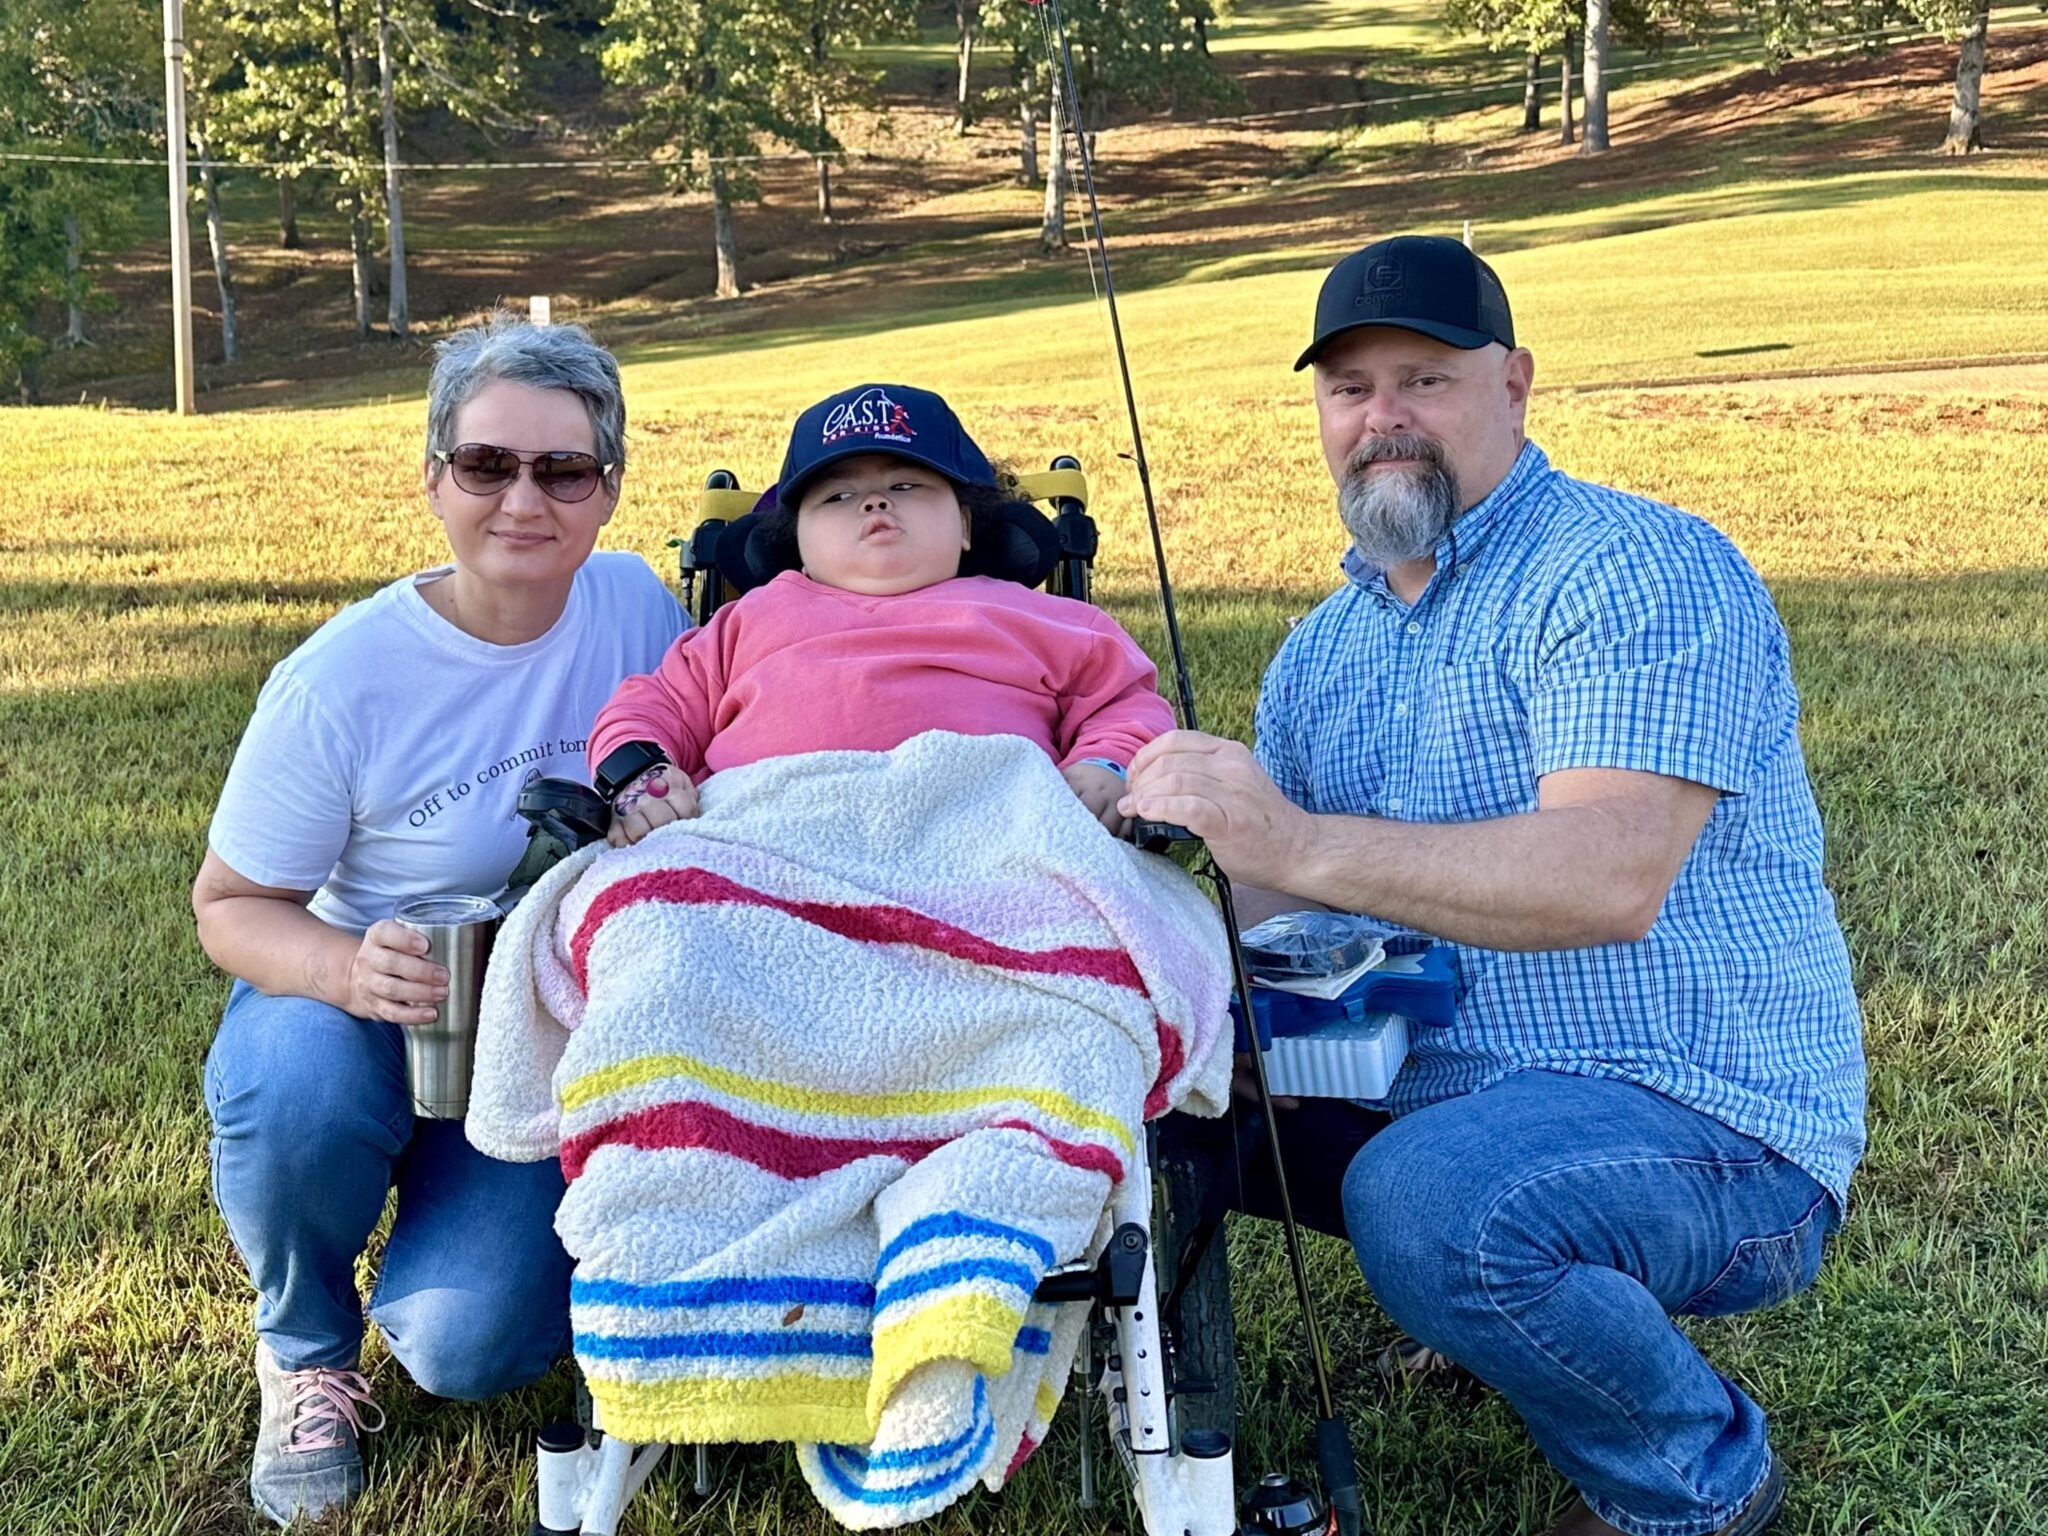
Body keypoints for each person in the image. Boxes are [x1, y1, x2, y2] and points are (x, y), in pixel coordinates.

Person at [1121, 236, 1865, 1536]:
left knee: (1432, 1198)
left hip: (1705, 1117)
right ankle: (1184, 1448)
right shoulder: (1318, 653)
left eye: (1425, 378)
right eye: (1351, 388)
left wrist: (1293, 841)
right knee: (1132, 1092)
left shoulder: (1638, 570)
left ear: (1515, 384)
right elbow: (1273, 913)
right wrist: (1198, 1007)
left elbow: (1606, 877)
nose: (1382, 418)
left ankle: (1699, 1479)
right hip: (1425, 1081)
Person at [190, 312, 686, 1526]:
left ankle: (446, 1233)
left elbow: (685, 746)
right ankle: (304, 1351)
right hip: (363, 998)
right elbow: (228, 908)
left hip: (538, 1029)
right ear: (434, 477)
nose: (524, 498)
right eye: (486, 464)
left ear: (609, 489)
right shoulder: (341, 681)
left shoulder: (634, 608)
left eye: (563, 468)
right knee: (292, 1086)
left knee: (464, 1348)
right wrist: (350, 969)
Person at [588, 382, 1171, 841]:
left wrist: (1107, 763)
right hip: (763, 840)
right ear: (799, 542)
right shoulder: (748, 621)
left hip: (989, 838)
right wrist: (640, 775)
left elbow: (1125, 703)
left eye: (908, 484)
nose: (874, 502)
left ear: (965, 523)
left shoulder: (1042, 618)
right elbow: (652, 706)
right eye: (836, 496)